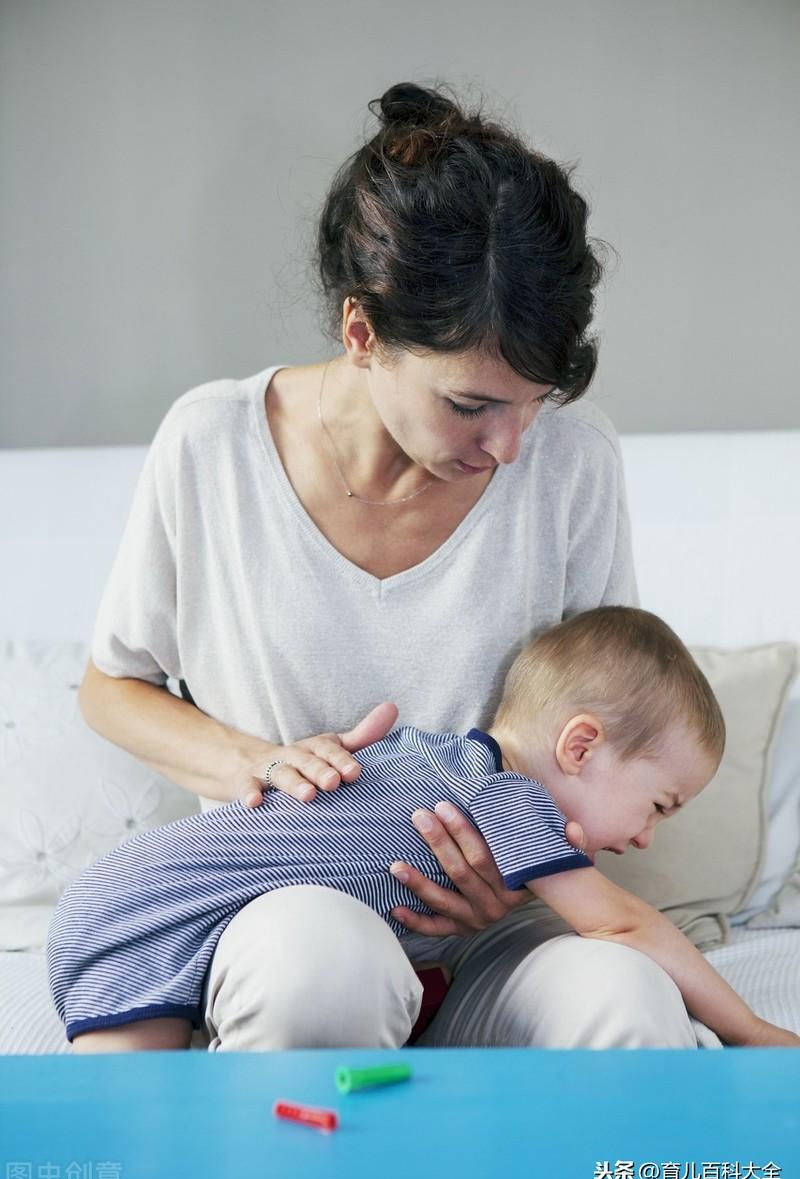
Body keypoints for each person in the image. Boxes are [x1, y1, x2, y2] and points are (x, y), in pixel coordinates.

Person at [76, 79, 702, 1054]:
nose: (507, 446)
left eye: (531, 403)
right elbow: (113, 687)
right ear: (360, 332)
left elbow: (611, 726)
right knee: (320, 973)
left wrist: (515, 863)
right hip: (291, 911)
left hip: (503, 932)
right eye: (469, 405)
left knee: (627, 1007)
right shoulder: (212, 447)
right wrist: (253, 760)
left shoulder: (573, 464)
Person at [49, 606, 800, 1051]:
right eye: (660, 804)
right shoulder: (505, 798)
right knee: (127, 1136)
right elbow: (627, 927)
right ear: (580, 745)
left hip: (119, 898)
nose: (646, 839)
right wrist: (751, 1033)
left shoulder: (431, 758)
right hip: (142, 914)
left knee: (140, 1134)